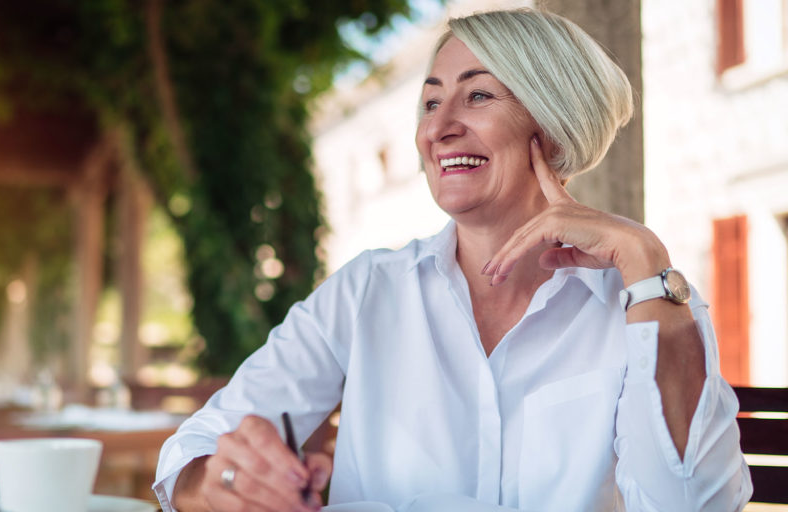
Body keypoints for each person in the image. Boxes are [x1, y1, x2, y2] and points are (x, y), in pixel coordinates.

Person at [153, 8, 752, 512]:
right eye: (429, 103)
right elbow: (191, 452)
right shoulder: (368, 292)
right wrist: (226, 482)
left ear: (551, 123)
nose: (438, 128)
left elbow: (694, 503)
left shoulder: (649, 305)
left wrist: (645, 258)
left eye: (479, 95)